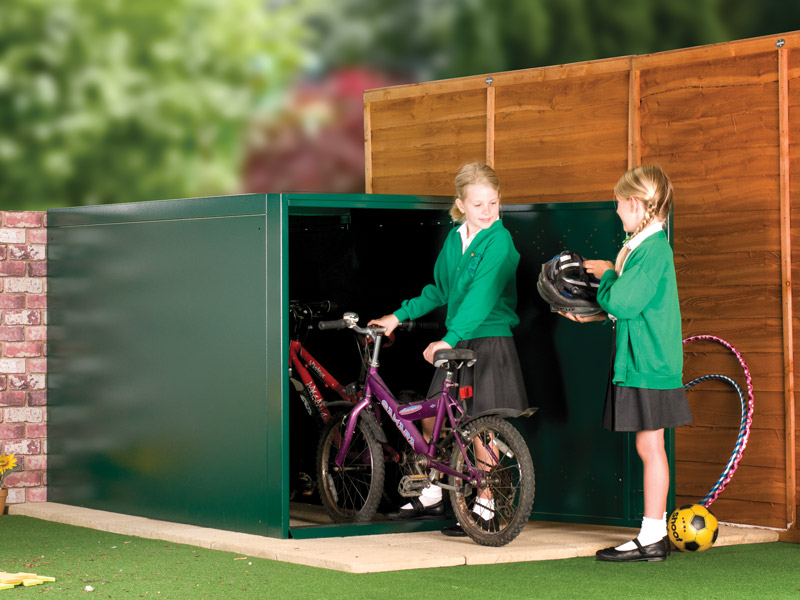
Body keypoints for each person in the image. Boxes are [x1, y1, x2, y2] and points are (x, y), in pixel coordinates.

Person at [369, 161, 528, 537]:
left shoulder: (499, 241)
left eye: (493, 203)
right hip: (458, 338)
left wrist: (448, 338)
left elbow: (482, 297)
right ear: (461, 204)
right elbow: (440, 290)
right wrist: (397, 316)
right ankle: (436, 494)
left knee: (480, 428)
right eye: (478, 204)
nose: (487, 211)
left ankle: (486, 506)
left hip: (486, 338)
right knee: (433, 418)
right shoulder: (455, 238)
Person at [561, 165, 692, 562]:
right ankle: (651, 532)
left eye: (619, 203)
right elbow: (631, 308)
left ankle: (652, 535)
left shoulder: (653, 249)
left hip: (648, 364)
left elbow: (622, 302)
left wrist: (606, 277)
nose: (617, 210)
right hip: (643, 360)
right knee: (648, 444)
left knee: (650, 446)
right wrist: (597, 306)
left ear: (635, 203)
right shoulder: (643, 246)